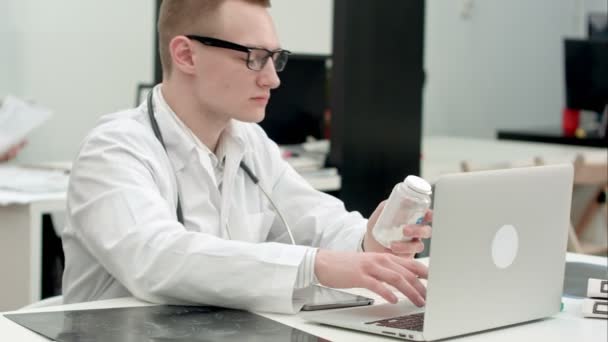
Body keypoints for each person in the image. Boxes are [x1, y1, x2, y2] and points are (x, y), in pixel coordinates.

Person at [61, 0, 433, 313]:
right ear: (186, 54)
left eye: (275, 58)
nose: (272, 79)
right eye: (254, 58)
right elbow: (155, 259)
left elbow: (316, 220)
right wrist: (314, 264)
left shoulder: (248, 141)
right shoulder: (114, 148)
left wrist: (370, 242)